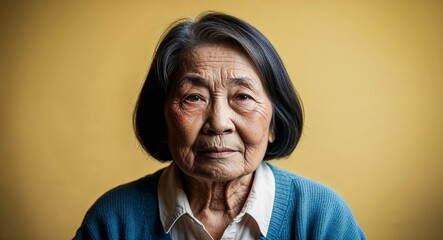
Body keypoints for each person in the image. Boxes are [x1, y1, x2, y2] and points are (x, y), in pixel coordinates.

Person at [74, 12, 366, 240]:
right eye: (194, 97)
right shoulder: (114, 220)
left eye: (242, 96)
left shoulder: (322, 217)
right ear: (162, 118)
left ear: (275, 122)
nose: (219, 123)